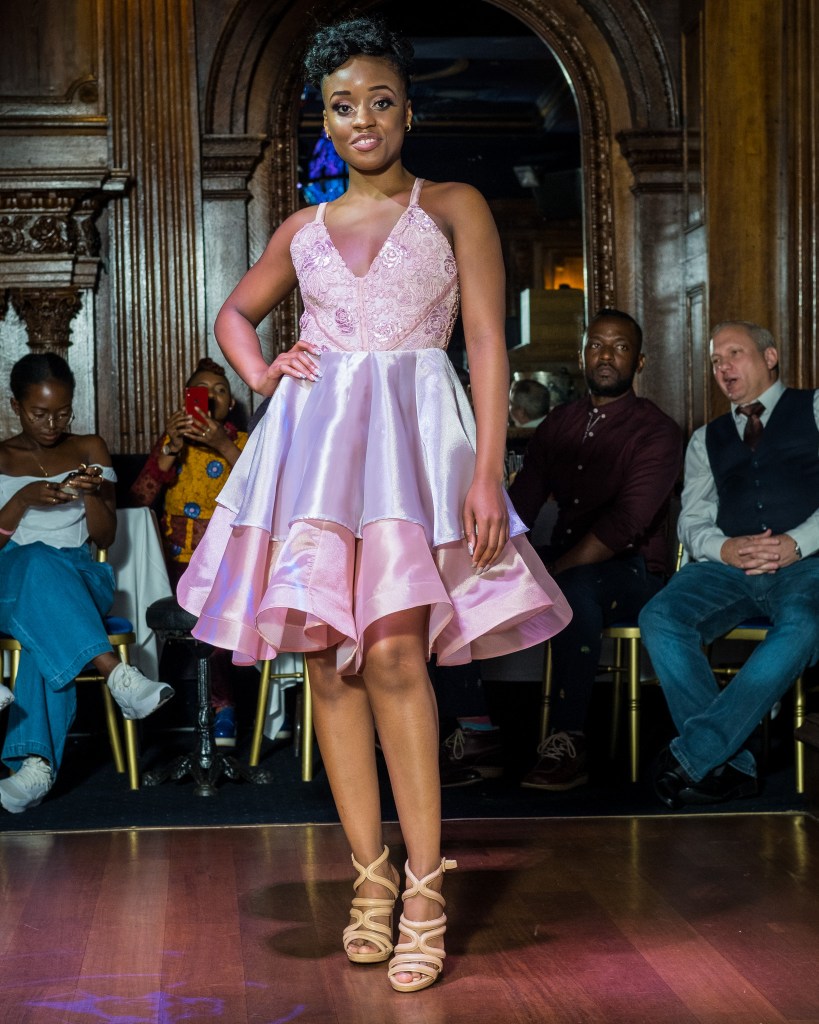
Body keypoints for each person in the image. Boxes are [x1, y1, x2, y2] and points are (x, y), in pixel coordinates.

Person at [177, 16, 571, 993]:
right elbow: (233, 313)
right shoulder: (301, 229)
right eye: (343, 105)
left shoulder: (455, 206)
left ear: (408, 111)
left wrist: (488, 471)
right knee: (326, 660)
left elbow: (488, 343)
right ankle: (369, 874)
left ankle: (425, 889)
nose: (363, 119)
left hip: (413, 452)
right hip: (315, 455)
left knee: (394, 654)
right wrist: (261, 369)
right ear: (324, 120)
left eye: (380, 101)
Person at [639, 320, 819, 808]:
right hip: (728, 570)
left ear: (770, 357)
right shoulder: (706, 439)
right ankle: (734, 761)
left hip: (807, 565)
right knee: (661, 616)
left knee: (805, 624)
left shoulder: (814, 408)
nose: (723, 368)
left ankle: (698, 755)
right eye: (716, 360)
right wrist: (725, 549)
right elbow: (693, 520)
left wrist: (797, 543)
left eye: (734, 354)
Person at [507, 308, 683, 790]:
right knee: (455, 579)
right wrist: (496, 557)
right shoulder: (560, 423)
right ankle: (473, 728)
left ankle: (569, 739)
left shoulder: (657, 431)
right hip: (567, 561)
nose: (606, 356)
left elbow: (624, 524)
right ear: (583, 354)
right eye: (597, 345)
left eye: (620, 347)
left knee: (575, 586)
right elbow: (521, 504)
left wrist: (552, 569)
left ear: (639, 361)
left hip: (634, 572)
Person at [0, 352, 174, 814]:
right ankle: (116, 674)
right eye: (39, 413)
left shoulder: (89, 448)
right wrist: (21, 500)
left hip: (80, 576)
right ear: (15, 406)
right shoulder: (1, 456)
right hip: (8, 581)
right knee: (34, 565)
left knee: (43, 613)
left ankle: (37, 763)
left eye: (63, 412)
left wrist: (94, 493)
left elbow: (105, 537)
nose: (52, 424)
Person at [130, 357, 248, 746]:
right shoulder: (172, 444)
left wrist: (222, 445)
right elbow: (139, 498)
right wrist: (170, 447)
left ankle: (224, 708)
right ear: (187, 400)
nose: (211, 397)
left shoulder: (243, 444)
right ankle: (155, 708)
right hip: (172, 563)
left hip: (227, 561)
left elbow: (261, 490)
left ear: (231, 404)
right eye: (202, 390)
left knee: (215, 625)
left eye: (220, 390)